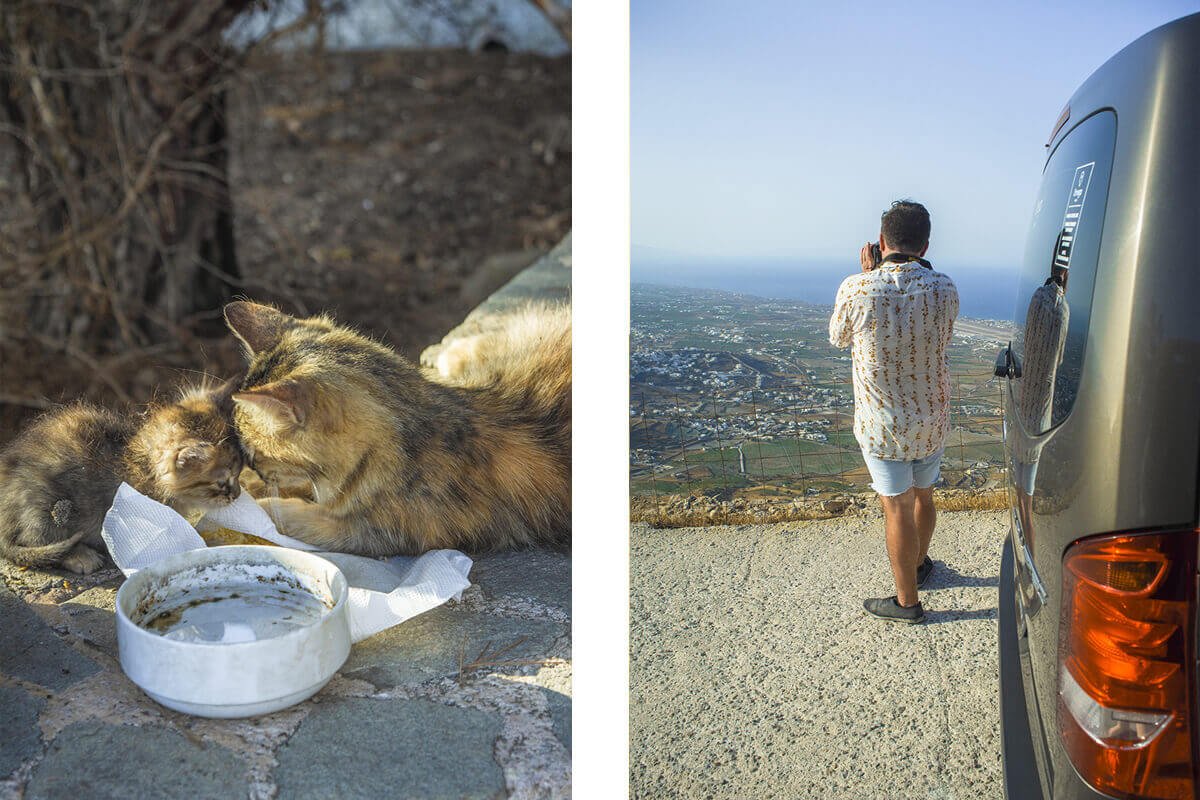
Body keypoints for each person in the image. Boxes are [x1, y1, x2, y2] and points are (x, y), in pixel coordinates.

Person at [828, 200, 959, 624]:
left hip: (883, 424)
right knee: (924, 495)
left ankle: (907, 603)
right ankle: (920, 565)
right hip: (930, 419)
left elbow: (837, 336)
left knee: (897, 507)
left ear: (881, 242)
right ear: (925, 243)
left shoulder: (857, 287)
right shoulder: (945, 288)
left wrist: (868, 276)